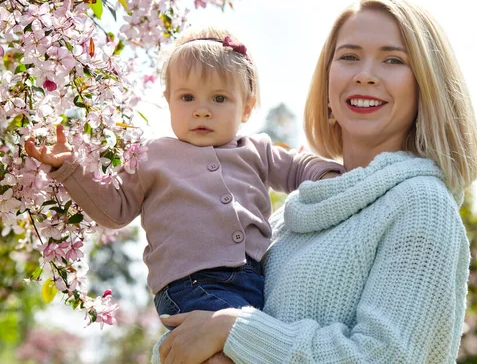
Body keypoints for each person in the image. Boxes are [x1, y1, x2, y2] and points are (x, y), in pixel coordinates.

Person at [154, 0, 477, 364]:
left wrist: (233, 330)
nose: (364, 74)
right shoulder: (287, 220)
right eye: (349, 56)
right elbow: (186, 338)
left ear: (425, 85)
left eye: (393, 59)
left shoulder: (422, 204)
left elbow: (387, 356)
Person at [24, 26, 345, 331]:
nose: (201, 110)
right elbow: (115, 209)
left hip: (253, 282)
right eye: (187, 97)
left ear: (245, 109)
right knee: (238, 346)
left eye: (219, 99)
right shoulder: (153, 155)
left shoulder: (257, 149)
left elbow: (299, 167)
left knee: (253, 344)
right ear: (168, 100)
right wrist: (69, 169)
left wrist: (332, 176)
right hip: (189, 283)